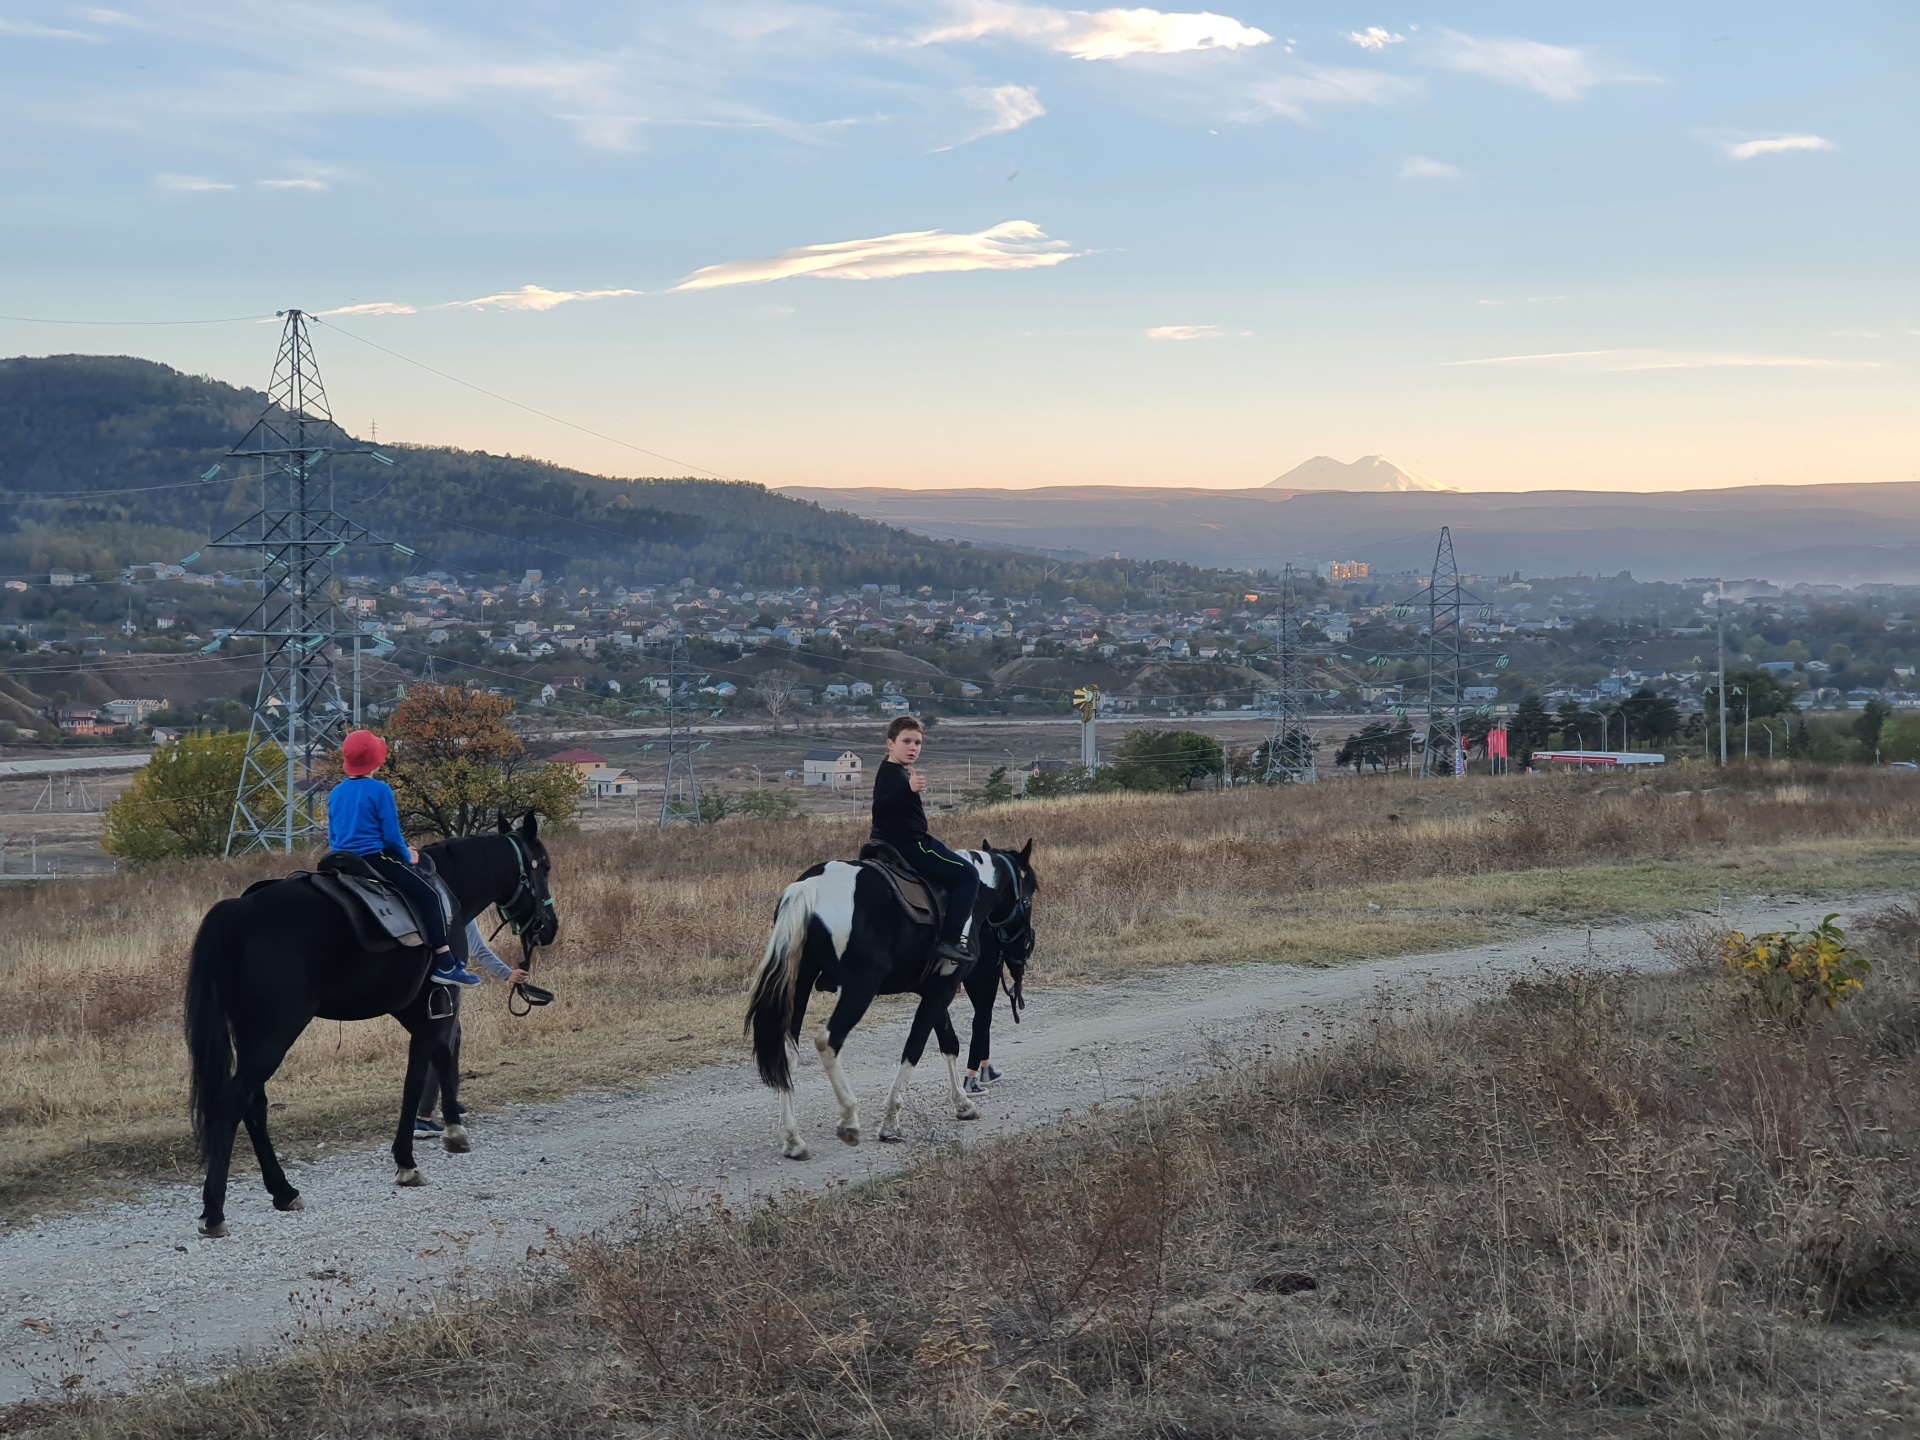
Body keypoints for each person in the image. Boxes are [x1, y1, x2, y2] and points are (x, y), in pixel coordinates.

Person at [327, 729, 478, 986]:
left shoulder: (336, 792)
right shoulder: (380, 790)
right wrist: (407, 854)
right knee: (429, 895)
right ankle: (445, 962)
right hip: (373, 858)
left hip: (340, 859)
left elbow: (333, 833)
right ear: (377, 759)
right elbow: (391, 836)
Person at [871, 715, 979, 968]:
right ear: (890, 744)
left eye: (918, 743)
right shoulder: (892, 774)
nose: (913, 748)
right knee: (968, 876)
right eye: (906, 741)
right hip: (912, 845)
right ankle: (950, 941)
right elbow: (880, 808)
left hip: (890, 841)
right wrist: (907, 789)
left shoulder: (895, 771)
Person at [415, 920, 530, 1137]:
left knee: (454, 1037)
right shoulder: (459, 914)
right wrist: (507, 973)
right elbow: (480, 951)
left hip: (425, 983)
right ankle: (422, 1118)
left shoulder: (438, 907)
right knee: (442, 1043)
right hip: (442, 986)